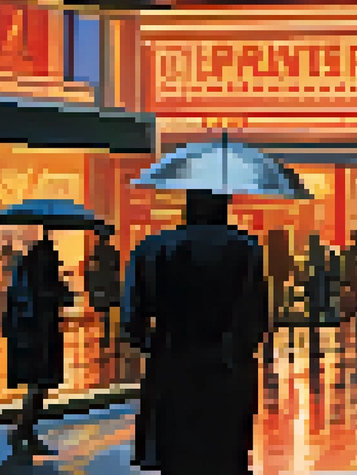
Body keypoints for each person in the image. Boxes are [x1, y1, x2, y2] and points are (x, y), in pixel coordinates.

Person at [123, 190, 268, 474]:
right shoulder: (246, 250)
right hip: (225, 372)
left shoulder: (152, 249)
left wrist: (156, 345)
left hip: (171, 367)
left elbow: (132, 323)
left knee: (175, 458)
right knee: (223, 456)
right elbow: (256, 322)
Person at [3, 233, 72, 457]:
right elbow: (49, 298)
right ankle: (24, 430)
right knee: (39, 386)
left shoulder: (24, 272)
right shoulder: (39, 277)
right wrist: (62, 292)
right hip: (40, 336)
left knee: (37, 386)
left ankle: (25, 430)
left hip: (31, 336)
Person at [84, 225, 122, 359]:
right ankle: (106, 337)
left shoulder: (96, 251)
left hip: (102, 283)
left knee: (104, 310)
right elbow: (116, 268)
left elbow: (91, 268)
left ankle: (105, 337)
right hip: (108, 283)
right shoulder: (111, 251)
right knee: (106, 311)